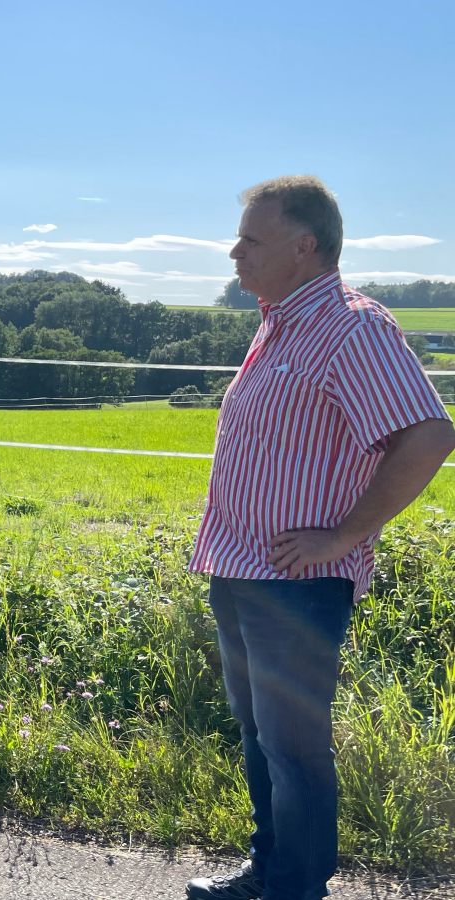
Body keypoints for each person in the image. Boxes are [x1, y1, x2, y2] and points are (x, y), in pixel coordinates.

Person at [186, 176, 455, 900]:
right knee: (260, 740)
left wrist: (345, 534)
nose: (234, 252)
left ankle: (296, 889)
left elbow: (429, 436)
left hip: (296, 587)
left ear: (304, 248)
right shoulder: (280, 319)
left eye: (252, 239)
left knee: (293, 750)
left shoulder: (353, 327)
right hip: (241, 568)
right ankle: (272, 872)